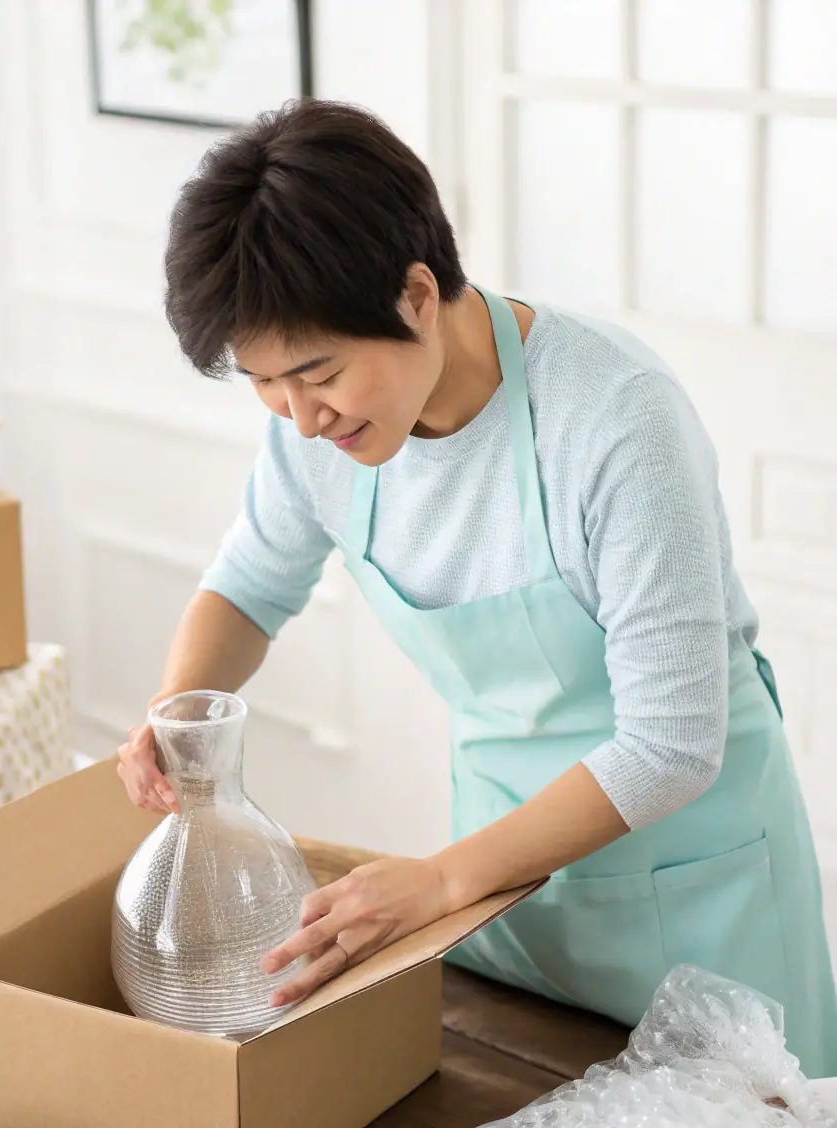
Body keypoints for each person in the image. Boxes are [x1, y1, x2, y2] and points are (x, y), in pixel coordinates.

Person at [118, 99, 837, 1078]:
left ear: (417, 293)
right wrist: (180, 714)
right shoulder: (317, 440)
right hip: (508, 901)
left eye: (317, 371)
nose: (297, 415)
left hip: (695, 898)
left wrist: (445, 878)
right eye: (263, 383)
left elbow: (669, 747)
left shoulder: (619, 420)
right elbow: (247, 589)